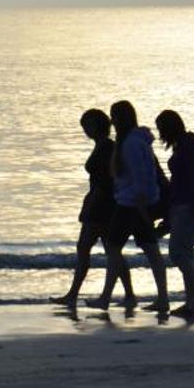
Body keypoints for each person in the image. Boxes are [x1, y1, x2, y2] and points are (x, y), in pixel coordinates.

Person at [91, 100, 171, 314]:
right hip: (135, 201)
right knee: (150, 250)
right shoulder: (135, 141)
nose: (111, 121)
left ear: (121, 118)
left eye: (114, 116)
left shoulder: (131, 144)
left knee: (115, 247)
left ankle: (107, 298)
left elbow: (143, 177)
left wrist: (142, 206)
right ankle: (161, 298)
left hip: (132, 203)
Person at [59, 108, 133, 307]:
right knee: (110, 250)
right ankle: (129, 295)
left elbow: (107, 179)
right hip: (102, 203)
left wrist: (93, 203)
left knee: (88, 247)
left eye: (88, 125)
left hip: (101, 204)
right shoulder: (104, 146)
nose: (86, 130)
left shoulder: (107, 147)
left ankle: (73, 294)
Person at [155, 109, 194, 317]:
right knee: (182, 253)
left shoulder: (188, 146)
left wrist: (193, 202)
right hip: (185, 203)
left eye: (161, 128)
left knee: (178, 253)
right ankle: (193, 300)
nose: (160, 134)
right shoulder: (184, 145)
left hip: (191, 203)